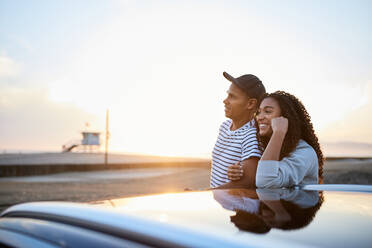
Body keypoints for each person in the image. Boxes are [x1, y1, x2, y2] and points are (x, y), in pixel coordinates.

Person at [228, 91, 324, 188]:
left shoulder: (304, 152)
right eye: (258, 112)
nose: (259, 117)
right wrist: (239, 174)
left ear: (286, 117)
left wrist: (279, 132)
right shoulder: (267, 147)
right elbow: (258, 180)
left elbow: (266, 181)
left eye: (268, 111)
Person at [210, 72, 266, 188]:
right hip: (218, 202)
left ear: (250, 103)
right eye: (227, 95)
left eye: (232, 97)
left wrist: (205, 191)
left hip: (232, 205)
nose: (225, 101)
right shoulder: (225, 126)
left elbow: (248, 181)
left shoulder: (251, 135)